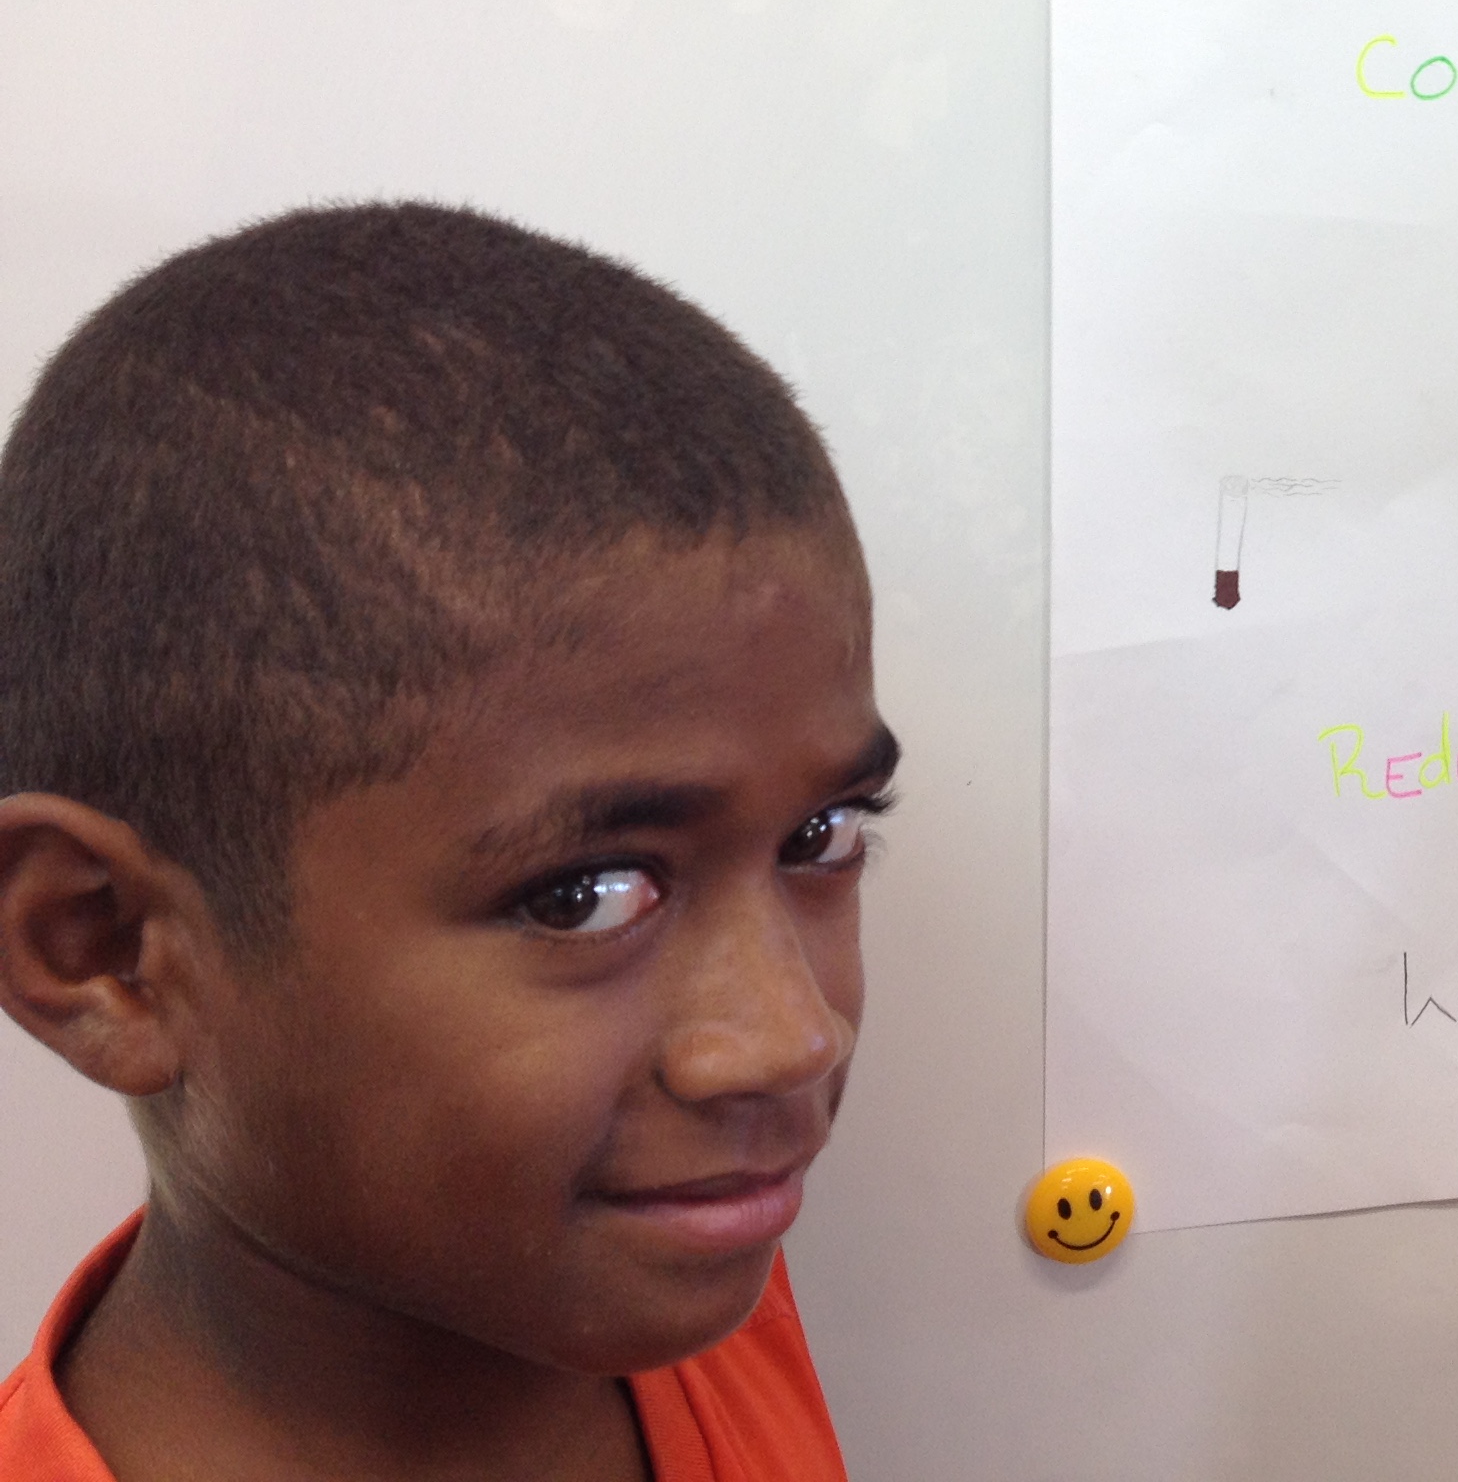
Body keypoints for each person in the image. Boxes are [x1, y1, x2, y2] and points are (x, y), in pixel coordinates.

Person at [0, 202, 892, 1481]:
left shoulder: (682, 1264)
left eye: (823, 834)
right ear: (103, 949)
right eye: (586, 897)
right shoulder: (643, 1234)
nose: (792, 1038)